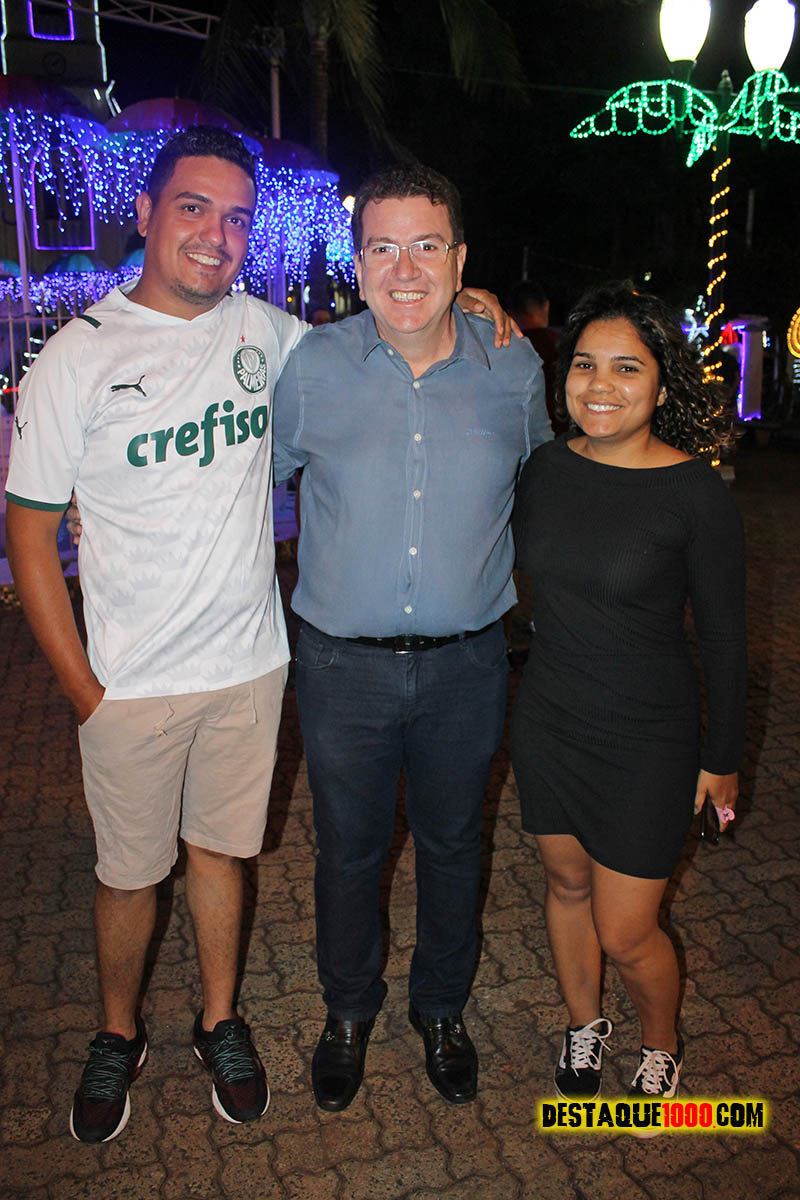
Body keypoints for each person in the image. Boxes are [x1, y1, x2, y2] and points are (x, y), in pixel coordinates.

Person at [4, 129, 514, 1144]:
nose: (216, 233)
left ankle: (219, 1021)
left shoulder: (274, 336)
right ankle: (116, 1033)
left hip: (248, 668)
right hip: (127, 681)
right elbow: (27, 530)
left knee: (219, 858)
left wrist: (468, 299)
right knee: (127, 874)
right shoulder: (79, 355)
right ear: (145, 213)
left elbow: (386, 327)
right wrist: (81, 688)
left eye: (237, 217)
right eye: (192, 207)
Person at [272, 164, 551, 1112]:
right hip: (339, 667)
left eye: (426, 246)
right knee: (347, 852)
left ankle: (441, 1010)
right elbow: (249, 484)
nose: (404, 269)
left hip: (469, 664)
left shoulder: (513, 368)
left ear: (460, 260)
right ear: (357, 264)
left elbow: (547, 492)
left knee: (453, 846)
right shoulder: (314, 366)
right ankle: (348, 1010)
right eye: (382, 248)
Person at [509, 282, 746, 1112]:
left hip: (648, 738)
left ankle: (660, 1041)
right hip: (549, 721)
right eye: (584, 365)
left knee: (627, 927)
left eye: (626, 367)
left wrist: (722, 759)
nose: (600, 385)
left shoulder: (695, 493)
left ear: (661, 385)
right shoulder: (544, 469)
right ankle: (584, 1024)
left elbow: (725, 639)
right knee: (565, 885)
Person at [507, 279, 564, 434]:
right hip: (563, 436)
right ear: (547, 306)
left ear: (510, 314)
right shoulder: (565, 346)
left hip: (525, 437)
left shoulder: (507, 351)